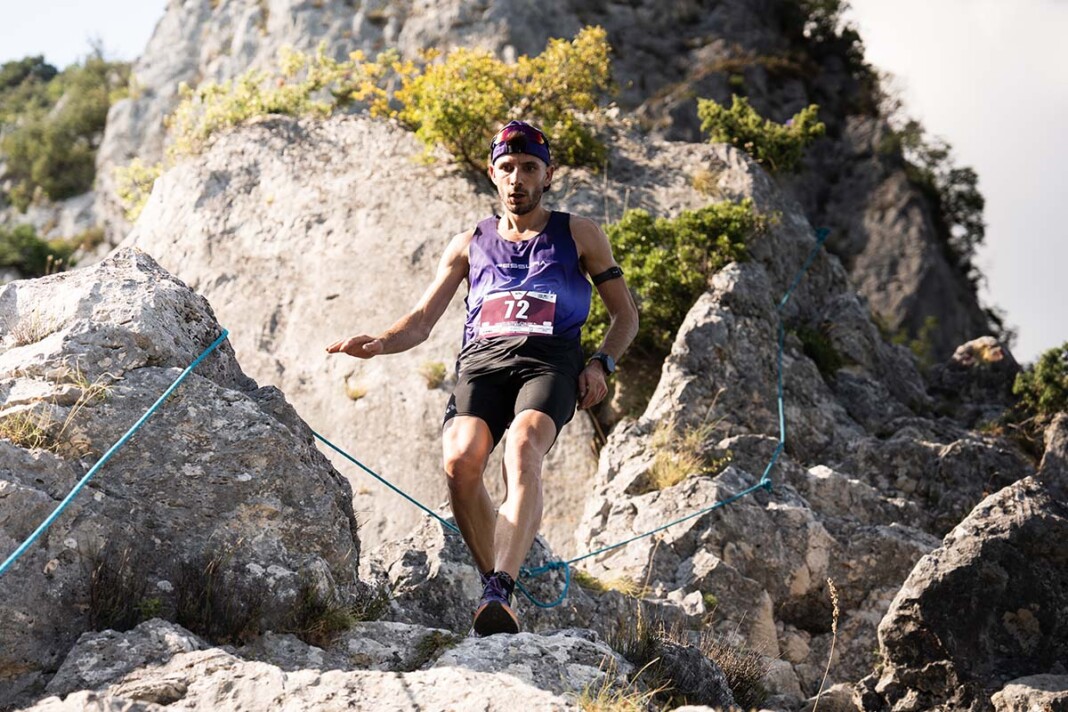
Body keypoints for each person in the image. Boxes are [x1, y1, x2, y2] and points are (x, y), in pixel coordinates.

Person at [326, 120, 638, 636]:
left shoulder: (579, 234)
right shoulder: (469, 243)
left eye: (530, 168)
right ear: (493, 174)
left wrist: (601, 363)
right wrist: (379, 342)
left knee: (523, 445)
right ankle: (495, 585)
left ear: (548, 175)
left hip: (549, 362)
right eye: (507, 168)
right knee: (459, 460)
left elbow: (625, 314)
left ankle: (501, 588)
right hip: (482, 364)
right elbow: (421, 322)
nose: (518, 179)